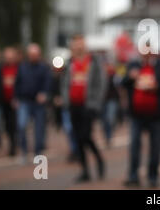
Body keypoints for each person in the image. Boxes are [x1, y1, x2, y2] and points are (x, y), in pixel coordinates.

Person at [122, 46, 160, 188]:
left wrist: (157, 86)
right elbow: (122, 83)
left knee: (155, 147)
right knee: (134, 145)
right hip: (137, 114)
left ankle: (153, 177)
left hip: (156, 114)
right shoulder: (133, 65)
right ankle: (133, 175)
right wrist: (130, 77)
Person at [61, 34, 106, 182]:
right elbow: (65, 83)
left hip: (89, 106)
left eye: (80, 43)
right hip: (74, 105)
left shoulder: (93, 61)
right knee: (78, 139)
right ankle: (85, 170)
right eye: (75, 44)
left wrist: (96, 104)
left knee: (85, 135)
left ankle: (99, 159)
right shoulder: (70, 63)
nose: (78, 46)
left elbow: (101, 84)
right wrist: (65, 99)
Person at [15, 44, 52, 161]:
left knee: (39, 128)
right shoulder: (22, 67)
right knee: (21, 125)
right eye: (31, 55)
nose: (33, 57)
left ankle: (38, 151)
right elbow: (17, 82)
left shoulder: (44, 67)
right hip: (24, 101)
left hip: (38, 103)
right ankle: (24, 151)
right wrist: (15, 97)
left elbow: (48, 82)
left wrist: (44, 93)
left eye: (35, 55)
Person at [0, 47, 19, 156]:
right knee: (7, 124)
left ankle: (13, 145)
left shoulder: (19, 68)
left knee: (14, 124)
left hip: (15, 101)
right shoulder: (1, 68)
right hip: (4, 101)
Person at [102, 63, 120, 147]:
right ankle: (107, 137)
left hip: (112, 100)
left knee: (110, 118)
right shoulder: (101, 77)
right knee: (104, 121)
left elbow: (119, 88)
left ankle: (110, 135)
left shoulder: (115, 77)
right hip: (103, 101)